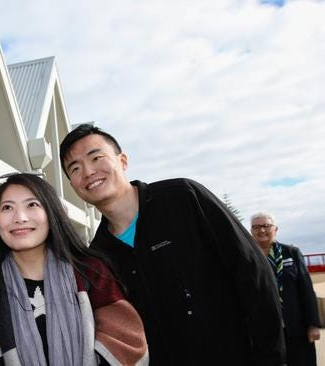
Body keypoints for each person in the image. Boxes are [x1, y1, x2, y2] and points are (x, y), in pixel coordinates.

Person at [58, 124, 285, 365]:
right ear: (73, 185)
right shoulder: (99, 256)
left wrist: (272, 359)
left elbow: (255, 275)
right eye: (75, 167)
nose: (89, 171)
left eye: (96, 157)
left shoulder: (184, 198)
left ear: (122, 161)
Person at [0, 173, 148, 365]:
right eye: (7, 207)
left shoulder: (89, 271)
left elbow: (127, 341)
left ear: (51, 213)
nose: (20, 218)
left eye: (32, 205)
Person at [250, 212, 320, 366]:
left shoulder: (291, 253)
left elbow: (306, 289)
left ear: (276, 229)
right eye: (256, 227)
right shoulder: (247, 256)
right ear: (251, 231)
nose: (261, 230)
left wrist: (313, 324)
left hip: (296, 326)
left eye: (266, 226)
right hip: (263, 330)